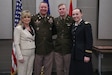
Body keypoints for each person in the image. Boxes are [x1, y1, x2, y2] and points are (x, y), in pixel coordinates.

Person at [30, 1, 56, 75]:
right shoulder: (33, 18)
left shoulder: (51, 19)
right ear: (39, 8)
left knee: (48, 69)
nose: (43, 9)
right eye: (42, 7)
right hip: (38, 47)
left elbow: (54, 31)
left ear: (47, 8)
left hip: (49, 48)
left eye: (45, 7)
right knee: (37, 69)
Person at [69, 8, 93, 75]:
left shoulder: (86, 25)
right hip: (75, 54)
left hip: (83, 54)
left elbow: (89, 41)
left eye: (77, 14)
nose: (75, 16)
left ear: (81, 14)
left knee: (83, 72)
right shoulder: (73, 25)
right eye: (73, 14)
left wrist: (87, 55)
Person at [14, 10, 35, 75]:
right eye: (25, 17)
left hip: (32, 53)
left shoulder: (31, 27)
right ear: (22, 19)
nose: (27, 19)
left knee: (29, 71)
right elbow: (16, 44)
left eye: (28, 17)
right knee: (22, 72)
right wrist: (20, 56)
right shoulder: (18, 28)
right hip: (23, 54)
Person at [54, 3, 73, 75]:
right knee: (59, 69)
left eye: (63, 9)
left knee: (68, 69)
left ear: (67, 10)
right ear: (58, 11)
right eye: (60, 9)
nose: (62, 10)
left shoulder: (71, 20)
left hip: (68, 48)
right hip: (58, 48)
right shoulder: (55, 20)